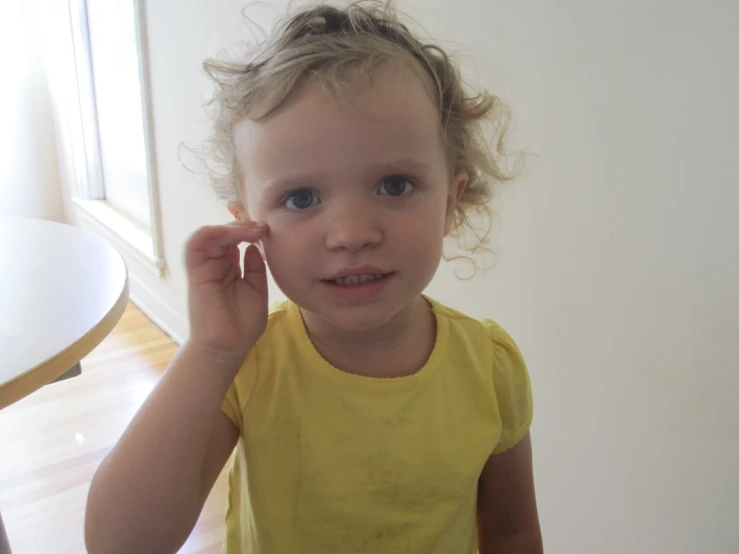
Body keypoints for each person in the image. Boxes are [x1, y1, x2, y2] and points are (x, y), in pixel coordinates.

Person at [84, 2, 543, 553]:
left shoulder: (490, 367)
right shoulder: (251, 363)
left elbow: (513, 531)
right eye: (300, 197)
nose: (351, 233)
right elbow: (120, 543)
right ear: (249, 226)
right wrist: (209, 350)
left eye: (395, 185)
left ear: (451, 201)